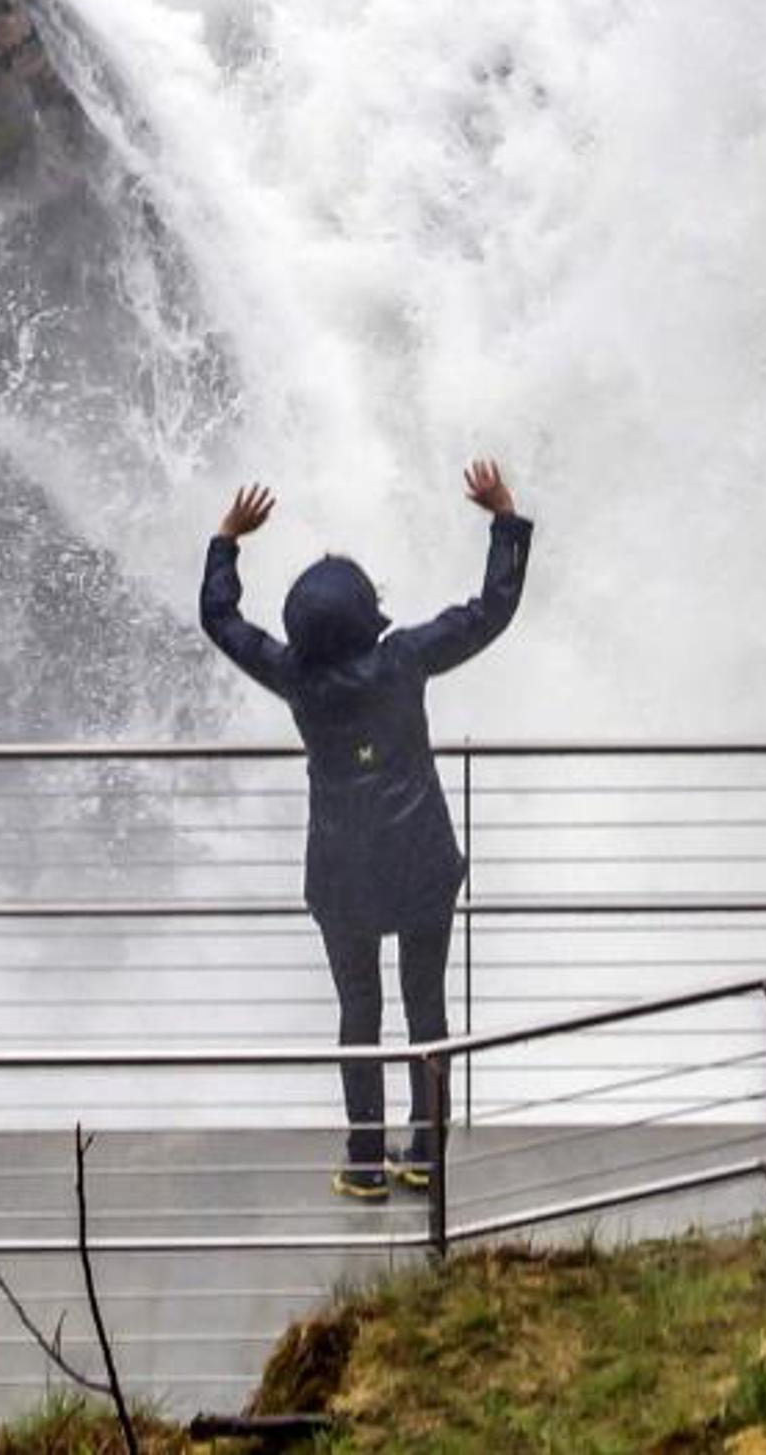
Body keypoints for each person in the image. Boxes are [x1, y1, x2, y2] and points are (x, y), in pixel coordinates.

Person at [200, 458, 532, 1199]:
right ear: (367, 615)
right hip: (420, 863)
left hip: (343, 873)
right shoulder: (404, 659)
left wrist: (227, 540)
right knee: (427, 1007)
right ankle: (427, 1152)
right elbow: (490, 612)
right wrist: (503, 517)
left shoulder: (294, 675)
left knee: (358, 1011)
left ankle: (364, 1159)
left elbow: (222, 621)